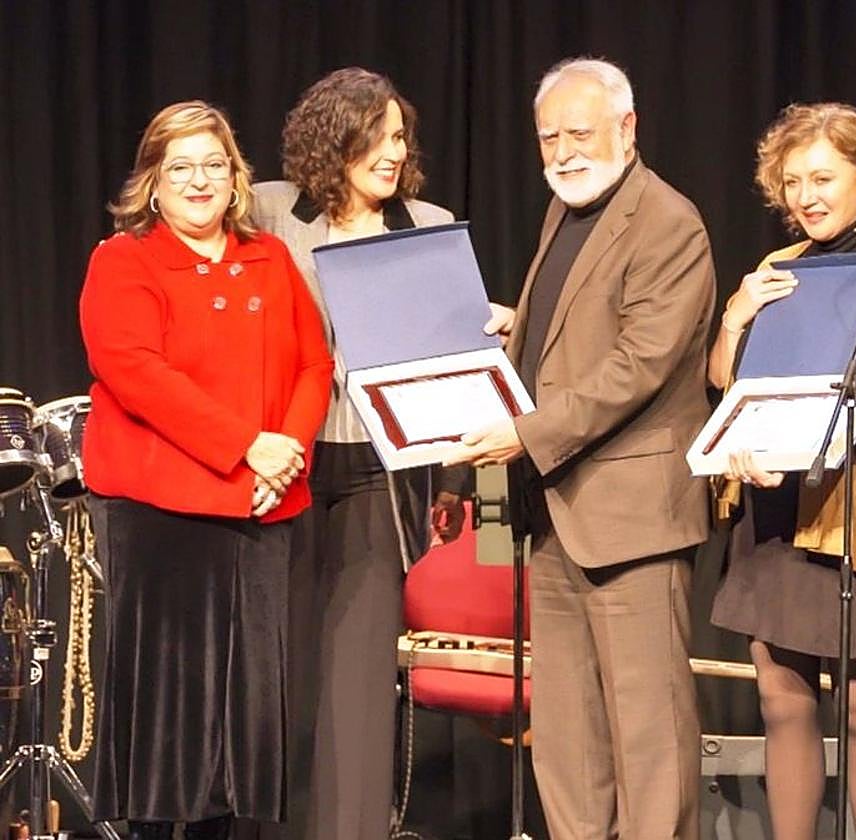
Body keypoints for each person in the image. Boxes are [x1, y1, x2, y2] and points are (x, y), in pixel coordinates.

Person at [450, 57, 715, 840]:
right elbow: (571, 330)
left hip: (629, 517)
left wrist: (524, 432)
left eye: (578, 133)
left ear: (627, 129)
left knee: (648, 732)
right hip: (549, 510)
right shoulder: (564, 211)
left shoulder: (668, 221)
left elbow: (640, 363)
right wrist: (518, 326)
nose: (562, 151)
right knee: (566, 736)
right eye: (548, 137)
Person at [80, 101, 333, 840]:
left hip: (259, 509)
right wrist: (244, 445)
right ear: (153, 184)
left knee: (239, 728)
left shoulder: (271, 258)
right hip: (162, 516)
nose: (200, 181)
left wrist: (284, 454)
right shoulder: (123, 259)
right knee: (169, 725)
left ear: (235, 178)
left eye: (213, 165)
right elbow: (133, 369)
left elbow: (314, 365)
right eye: (181, 167)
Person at [707, 103, 856, 840]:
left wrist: (784, 445)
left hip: (855, 504)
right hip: (772, 507)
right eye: (792, 180)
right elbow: (726, 385)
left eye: (823, 177)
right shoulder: (775, 272)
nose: (805, 195)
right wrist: (735, 316)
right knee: (782, 698)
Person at [252, 67, 467, 840]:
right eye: (373, 136)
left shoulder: (429, 223)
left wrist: (451, 475)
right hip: (282, 468)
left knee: (360, 674)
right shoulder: (271, 212)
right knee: (279, 668)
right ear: (331, 140)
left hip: (380, 470)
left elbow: (454, 367)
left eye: (399, 135)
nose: (390, 151)